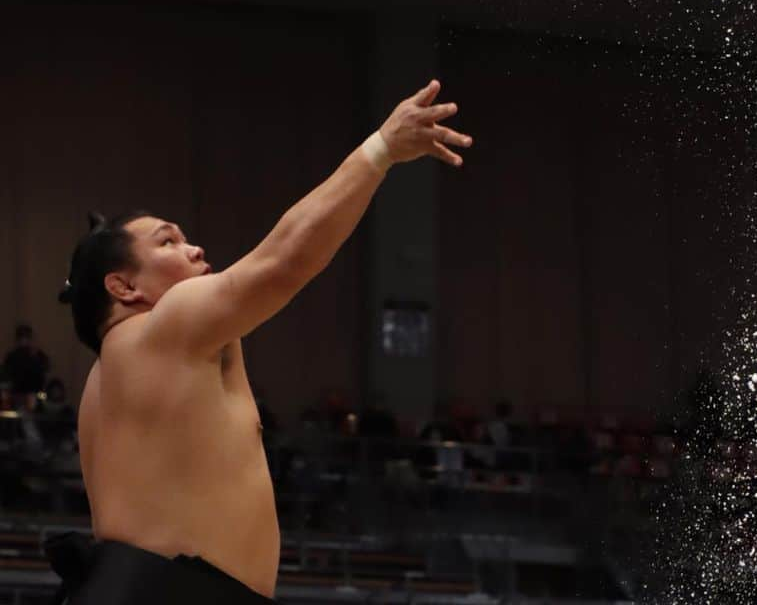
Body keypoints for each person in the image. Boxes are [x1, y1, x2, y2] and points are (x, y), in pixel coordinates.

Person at [45, 79, 471, 605]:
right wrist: (380, 149)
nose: (196, 249)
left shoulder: (106, 383)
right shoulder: (159, 329)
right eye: (169, 241)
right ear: (124, 286)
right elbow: (281, 262)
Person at [2, 323, 51, 397]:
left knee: (42, 401)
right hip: (17, 394)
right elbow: (6, 377)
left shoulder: (38, 354)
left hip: (37, 393)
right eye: (22, 337)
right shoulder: (11, 356)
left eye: (27, 337)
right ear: (17, 339)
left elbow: (46, 368)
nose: (24, 340)